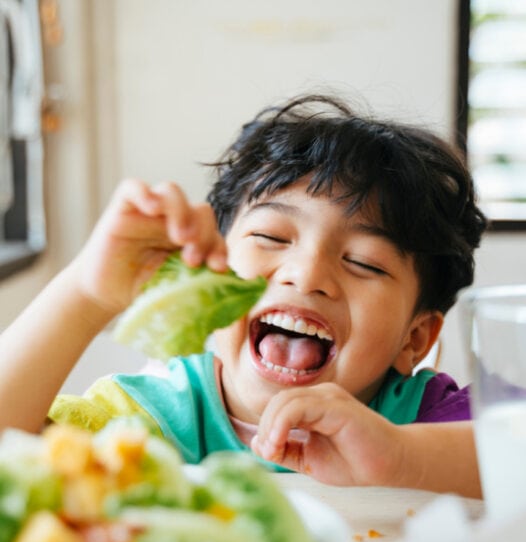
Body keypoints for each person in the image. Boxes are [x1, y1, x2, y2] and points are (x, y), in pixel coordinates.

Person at [0, 94, 487, 496]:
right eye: (273, 237)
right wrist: (86, 294)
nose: (305, 274)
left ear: (415, 338)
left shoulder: (427, 421)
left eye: (364, 262)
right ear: (211, 265)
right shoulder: (146, 421)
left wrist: (401, 459)